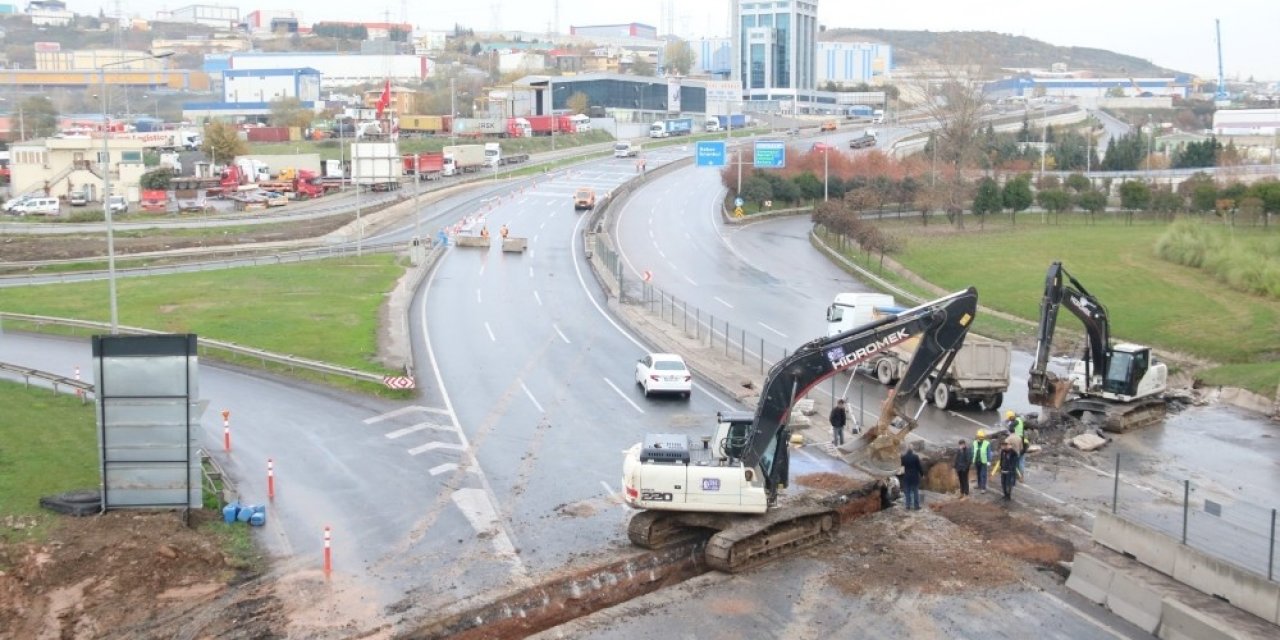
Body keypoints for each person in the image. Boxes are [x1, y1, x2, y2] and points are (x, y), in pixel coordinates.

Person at [900, 445, 924, 511]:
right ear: (912, 449)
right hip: (914, 476)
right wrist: (922, 474)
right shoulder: (915, 457)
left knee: (907, 492)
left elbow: (901, 464)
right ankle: (916, 506)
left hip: (907, 476)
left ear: (907, 450)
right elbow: (919, 467)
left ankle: (908, 506)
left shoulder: (904, 457)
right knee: (915, 492)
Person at [1006, 410, 1028, 476]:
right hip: (1023, 441)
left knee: (1017, 459)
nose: (1009, 420)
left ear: (1011, 417)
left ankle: (1019, 475)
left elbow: (1010, 427)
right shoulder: (1019, 420)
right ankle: (1020, 475)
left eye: (1009, 418)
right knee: (1021, 459)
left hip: (1018, 442)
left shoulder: (1016, 421)